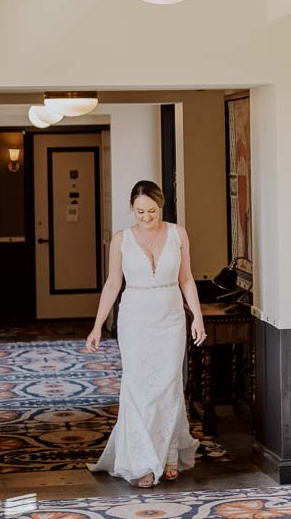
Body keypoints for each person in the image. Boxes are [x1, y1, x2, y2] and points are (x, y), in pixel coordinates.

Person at [86, 180, 206, 488]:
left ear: (160, 206)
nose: (146, 217)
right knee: (139, 389)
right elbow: (113, 284)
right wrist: (98, 325)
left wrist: (198, 318)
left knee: (168, 386)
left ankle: (168, 455)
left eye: (151, 211)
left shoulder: (179, 234)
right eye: (140, 212)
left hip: (170, 319)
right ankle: (141, 461)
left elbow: (187, 279)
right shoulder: (121, 240)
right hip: (135, 319)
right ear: (132, 209)